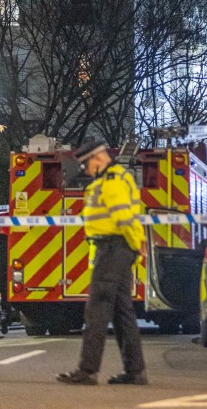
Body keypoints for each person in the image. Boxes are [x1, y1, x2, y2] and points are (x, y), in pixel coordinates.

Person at [57, 138, 148, 386]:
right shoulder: (106, 181)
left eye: (87, 164)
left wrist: (135, 245)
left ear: (98, 158)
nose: (86, 169)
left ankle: (87, 370)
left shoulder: (114, 181)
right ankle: (135, 371)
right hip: (113, 247)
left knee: (97, 308)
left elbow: (124, 217)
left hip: (115, 248)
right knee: (122, 312)